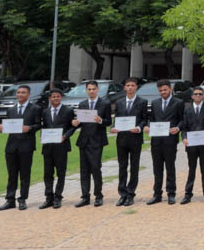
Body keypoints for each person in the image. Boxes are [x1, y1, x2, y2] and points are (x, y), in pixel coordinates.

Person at [0, 85, 42, 211]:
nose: (20, 94)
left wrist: (30, 128)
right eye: (19, 92)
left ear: (28, 94)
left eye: (23, 92)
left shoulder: (35, 108)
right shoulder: (11, 110)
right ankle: (10, 200)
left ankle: (22, 199)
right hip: (11, 146)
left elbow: (39, 124)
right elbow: (9, 125)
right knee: (11, 174)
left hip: (26, 146)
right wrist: (2, 129)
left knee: (25, 174)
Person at [73, 80, 111, 207]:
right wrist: (76, 123)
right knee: (84, 170)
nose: (91, 91)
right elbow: (81, 121)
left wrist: (101, 120)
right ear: (86, 90)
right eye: (89, 89)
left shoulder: (105, 103)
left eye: (93, 89)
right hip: (84, 140)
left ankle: (98, 196)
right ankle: (85, 197)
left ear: (98, 89)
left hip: (97, 140)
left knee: (95, 168)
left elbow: (109, 122)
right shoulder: (82, 104)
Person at [145, 79, 183, 206]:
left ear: (170, 89)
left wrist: (177, 128)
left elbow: (182, 120)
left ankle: (171, 193)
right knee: (157, 168)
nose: (163, 92)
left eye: (165, 90)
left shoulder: (178, 103)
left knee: (170, 167)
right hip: (156, 141)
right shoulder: (155, 103)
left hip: (170, 140)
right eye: (160, 90)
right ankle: (157, 194)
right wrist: (147, 127)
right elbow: (151, 119)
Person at [111, 77, 148, 206]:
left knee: (134, 166)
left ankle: (131, 193)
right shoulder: (119, 102)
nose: (130, 87)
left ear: (136, 87)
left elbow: (144, 119)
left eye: (133, 85)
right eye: (128, 85)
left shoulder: (142, 102)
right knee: (122, 166)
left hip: (135, 138)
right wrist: (113, 127)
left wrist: (138, 128)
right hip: (121, 139)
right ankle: (122, 193)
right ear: (124, 88)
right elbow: (116, 119)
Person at [38, 87, 75, 209]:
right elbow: (43, 127)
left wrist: (66, 135)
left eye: (58, 96)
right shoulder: (45, 112)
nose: (55, 98)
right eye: (53, 97)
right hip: (48, 146)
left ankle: (58, 197)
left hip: (61, 146)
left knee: (61, 172)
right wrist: (42, 136)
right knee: (47, 173)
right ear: (50, 98)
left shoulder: (68, 111)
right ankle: (49, 197)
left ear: (61, 97)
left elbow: (73, 127)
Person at [181, 86, 204, 204]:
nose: (198, 96)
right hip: (191, 144)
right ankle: (188, 193)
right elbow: (184, 127)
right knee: (191, 169)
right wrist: (184, 138)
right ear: (192, 96)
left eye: (200, 94)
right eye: (195, 94)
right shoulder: (187, 110)